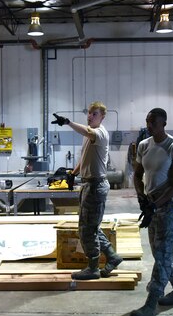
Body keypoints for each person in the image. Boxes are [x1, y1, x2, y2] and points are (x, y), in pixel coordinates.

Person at [51, 102, 123, 280]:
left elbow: (88, 132)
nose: (90, 116)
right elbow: (84, 158)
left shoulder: (98, 133)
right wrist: (72, 174)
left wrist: (67, 122)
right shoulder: (89, 134)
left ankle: (93, 268)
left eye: (94, 114)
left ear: (102, 117)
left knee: (86, 229)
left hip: (95, 186)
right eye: (89, 113)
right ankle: (112, 257)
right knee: (90, 226)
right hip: (89, 184)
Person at [130, 108, 173, 316]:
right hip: (150, 206)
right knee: (160, 253)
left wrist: (157, 203)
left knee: (163, 254)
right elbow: (137, 174)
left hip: (167, 207)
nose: (149, 125)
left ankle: (150, 304)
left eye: (153, 121)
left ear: (164, 123)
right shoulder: (144, 145)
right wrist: (141, 197)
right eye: (147, 121)